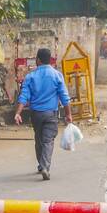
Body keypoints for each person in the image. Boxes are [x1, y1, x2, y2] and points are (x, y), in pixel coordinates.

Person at [14, 47, 72, 180]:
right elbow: (64, 97)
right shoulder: (57, 75)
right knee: (48, 140)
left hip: (36, 114)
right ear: (49, 60)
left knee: (39, 139)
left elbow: (23, 96)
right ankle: (45, 166)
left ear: (38, 60)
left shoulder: (30, 76)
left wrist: (18, 113)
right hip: (51, 113)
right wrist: (68, 114)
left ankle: (41, 165)